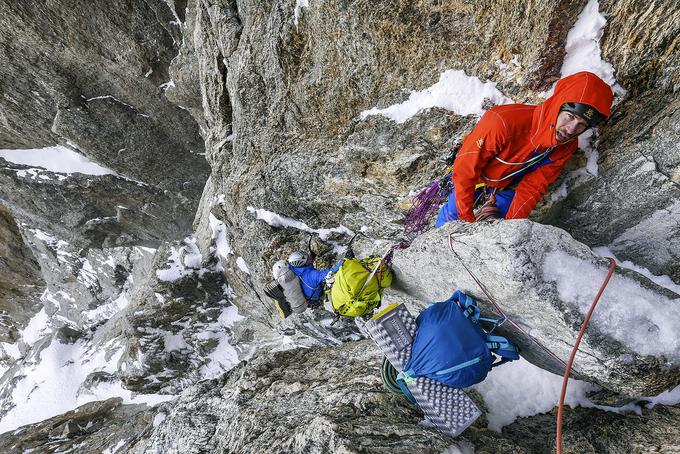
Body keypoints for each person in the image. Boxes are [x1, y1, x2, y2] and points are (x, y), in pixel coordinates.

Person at [435, 71, 614, 226]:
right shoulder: (503, 122)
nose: (571, 130)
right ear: (556, 107)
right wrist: (466, 219)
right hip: (475, 179)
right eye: (569, 117)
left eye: (581, 125)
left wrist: (511, 225)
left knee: (502, 231)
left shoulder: (566, 147)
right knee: (449, 221)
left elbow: (533, 187)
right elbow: (466, 171)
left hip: (509, 187)